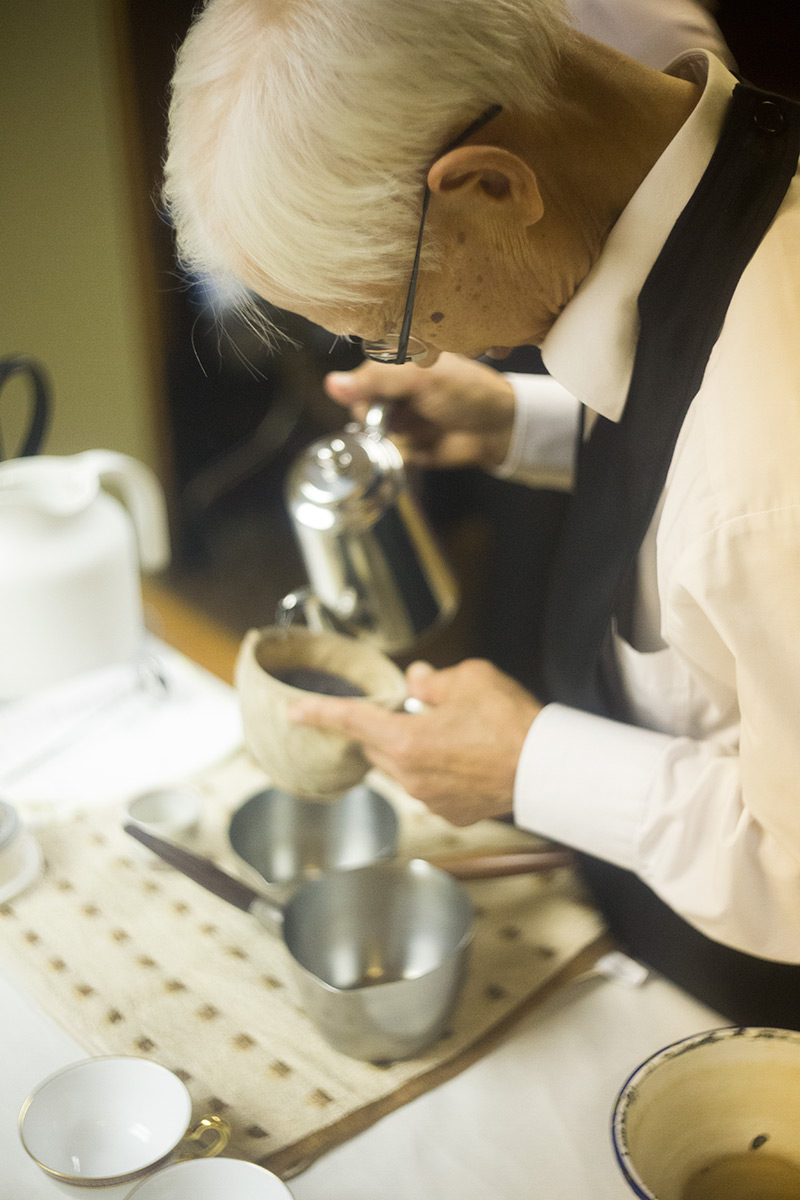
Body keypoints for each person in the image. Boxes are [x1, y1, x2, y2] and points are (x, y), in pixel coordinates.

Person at [163, 0, 800, 1023]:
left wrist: (527, 762)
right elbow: (696, 448)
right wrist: (517, 419)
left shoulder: (766, 472)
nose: (408, 355)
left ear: (491, 185)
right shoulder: (708, 192)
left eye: (392, 321)